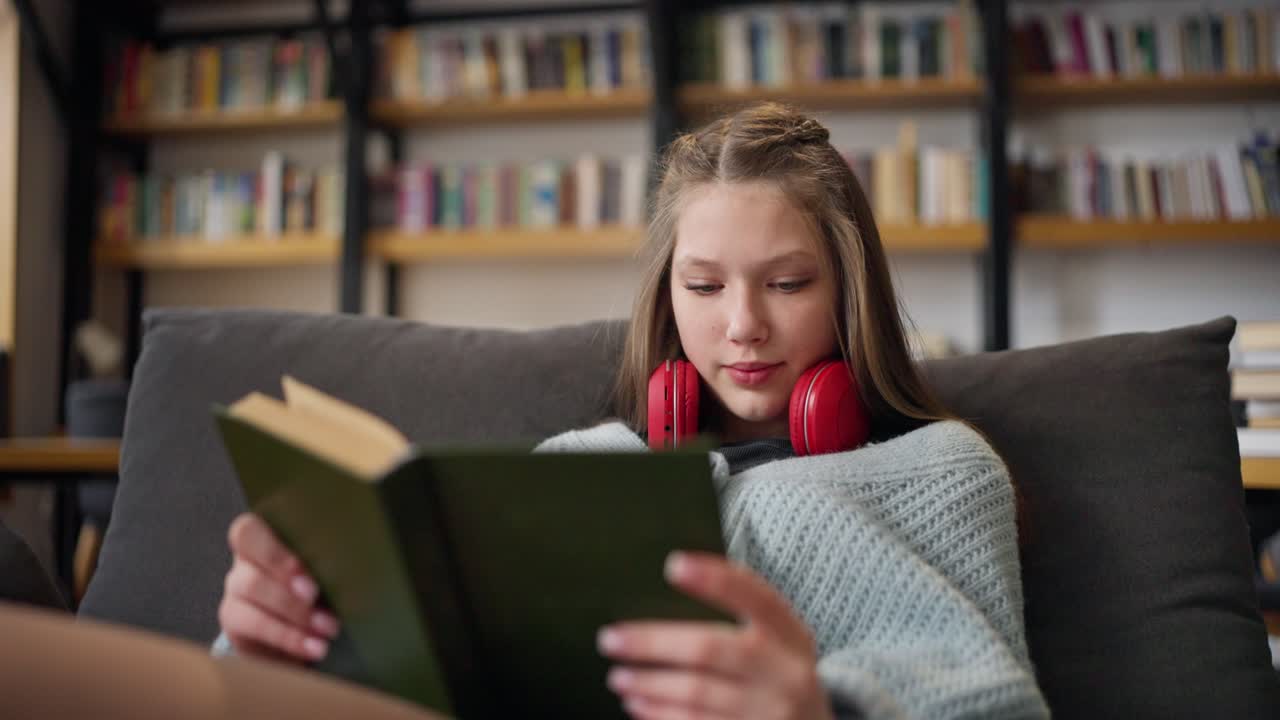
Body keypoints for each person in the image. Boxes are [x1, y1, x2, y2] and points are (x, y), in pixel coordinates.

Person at [214, 102, 1049, 719]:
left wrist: (822, 710)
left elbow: (993, 703)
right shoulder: (580, 460)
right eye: (705, 286)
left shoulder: (944, 471)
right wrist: (282, 641)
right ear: (666, 295)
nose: (744, 325)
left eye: (788, 283)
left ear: (848, 290)